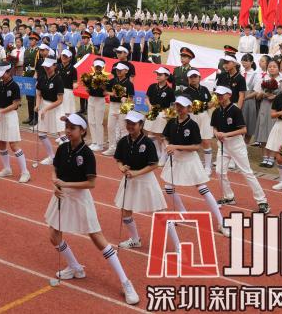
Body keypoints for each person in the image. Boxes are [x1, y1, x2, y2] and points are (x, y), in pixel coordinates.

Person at [44, 112, 139, 305]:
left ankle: (125, 282)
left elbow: (91, 183)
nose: (68, 131)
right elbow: (55, 169)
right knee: (54, 234)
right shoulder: (62, 148)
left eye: (72, 128)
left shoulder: (87, 154)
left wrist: (65, 184)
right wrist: (55, 184)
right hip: (62, 195)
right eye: (67, 127)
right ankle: (75, 267)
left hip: (79, 198)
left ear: (82, 130)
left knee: (97, 238)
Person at [161, 96, 230, 237]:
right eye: (177, 105)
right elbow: (165, 137)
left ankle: (221, 222)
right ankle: (182, 212)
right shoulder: (171, 123)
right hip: (176, 158)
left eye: (182, 106)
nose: (179, 108)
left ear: (188, 109)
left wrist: (175, 146)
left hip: (190, 159)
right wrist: (167, 146)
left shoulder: (192, 125)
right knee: (168, 187)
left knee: (203, 189)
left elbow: (196, 146)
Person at [210, 86, 270, 214]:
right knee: (219, 172)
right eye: (217, 94)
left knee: (247, 173)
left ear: (229, 95)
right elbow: (214, 127)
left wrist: (224, 134)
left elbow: (244, 130)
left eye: (222, 94)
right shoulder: (216, 111)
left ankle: (263, 202)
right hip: (223, 145)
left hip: (236, 144)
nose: (219, 96)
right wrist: (216, 133)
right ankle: (228, 197)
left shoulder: (235, 110)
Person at [113, 110, 168, 249]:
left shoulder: (148, 143)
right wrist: (121, 168)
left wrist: (137, 173)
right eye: (128, 123)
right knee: (125, 211)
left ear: (141, 125)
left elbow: (154, 164)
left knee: (159, 212)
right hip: (130, 180)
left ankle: (178, 245)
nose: (130, 126)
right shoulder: (123, 141)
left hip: (146, 180)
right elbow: (118, 159)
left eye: (133, 123)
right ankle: (135, 239)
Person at [0, 63, 31, 183]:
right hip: (0, 115)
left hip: (10, 116)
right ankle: (7, 168)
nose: (1, 77)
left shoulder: (14, 86)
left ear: (9, 72)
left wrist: (1, 111)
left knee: (13, 145)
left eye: (3, 74)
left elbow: (15, 104)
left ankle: (25, 172)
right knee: (1, 142)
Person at [182, 69, 214, 175]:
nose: (193, 79)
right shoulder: (186, 92)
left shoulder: (204, 89)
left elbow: (211, 103)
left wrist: (202, 106)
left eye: (195, 77)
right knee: (191, 142)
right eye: (191, 77)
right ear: (188, 79)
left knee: (206, 141)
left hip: (204, 116)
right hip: (191, 118)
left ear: (199, 78)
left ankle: (208, 166)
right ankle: (191, 165)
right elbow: (188, 108)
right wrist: (204, 105)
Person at [36, 58, 65, 164]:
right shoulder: (42, 78)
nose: (47, 68)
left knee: (62, 134)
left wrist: (46, 108)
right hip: (44, 106)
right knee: (42, 134)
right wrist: (37, 104)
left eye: (49, 66)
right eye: (45, 66)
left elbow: (60, 100)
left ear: (54, 66)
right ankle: (51, 157)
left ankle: (67, 158)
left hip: (55, 107)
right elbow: (38, 93)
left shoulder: (58, 79)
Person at [144, 67, 175, 156]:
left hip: (162, 113)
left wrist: (169, 115)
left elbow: (172, 105)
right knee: (150, 133)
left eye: (160, 75)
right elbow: (147, 97)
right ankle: (157, 152)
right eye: (157, 74)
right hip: (152, 112)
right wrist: (149, 105)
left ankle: (164, 155)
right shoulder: (152, 86)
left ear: (166, 76)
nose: (158, 76)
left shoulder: (170, 91)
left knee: (161, 135)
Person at [105, 62, 134, 156]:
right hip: (113, 105)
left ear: (126, 71)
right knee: (110, 127)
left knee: (123, 128)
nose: (118, 71)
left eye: (120, 70)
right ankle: (112, 148)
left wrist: (125, 100)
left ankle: (124, 149)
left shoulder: (129, 84)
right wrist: (111, 94)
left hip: (123, 106)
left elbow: (131, 98)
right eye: (117, 70)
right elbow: (105, 91)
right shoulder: (112, 80)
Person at [85, 59, 109, 153]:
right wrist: (87, 88)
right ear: (94, 67)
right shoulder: (90, 77)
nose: (98, 68)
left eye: (99, 67)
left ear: (103, 67)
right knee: (91, 121)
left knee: (98, 122)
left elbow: (105, 92)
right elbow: (88, 89)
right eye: (96, 67)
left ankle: (100, 144)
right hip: (91, 99)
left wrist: (102, 85)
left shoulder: (105, 78)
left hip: (100, 100)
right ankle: (94, 142)